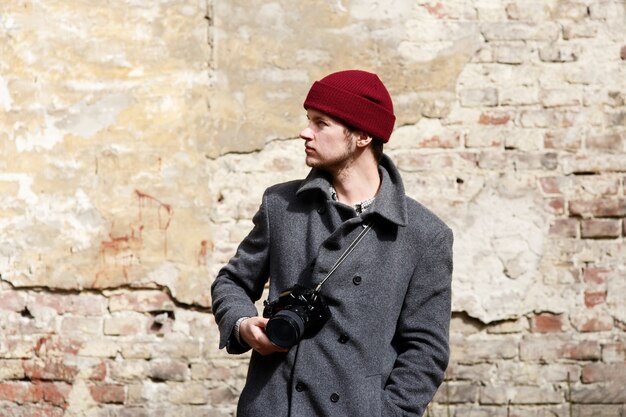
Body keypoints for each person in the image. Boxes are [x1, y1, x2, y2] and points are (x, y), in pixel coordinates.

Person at [211, 69, 453, 417]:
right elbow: (232, 281)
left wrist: (389, 412)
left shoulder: (423, 234)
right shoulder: (281, 205)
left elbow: (425, 350)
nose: (305, 132)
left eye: (321, 123)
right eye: (308, 120)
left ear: (362, 136)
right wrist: (242, 325)